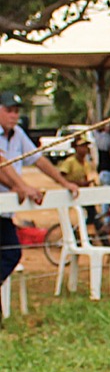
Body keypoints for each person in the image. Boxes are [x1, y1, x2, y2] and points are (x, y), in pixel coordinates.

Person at [0, 91, 79, 288]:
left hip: (4, 210)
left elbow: (38, 159)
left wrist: (64, 182)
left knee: (11, 253)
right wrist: (21, 186)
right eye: (9, 111)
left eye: (16, 111)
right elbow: (1, 164)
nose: (14, 116)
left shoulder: (18, 134)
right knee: (10, 253)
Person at [56, 135, 105, 234]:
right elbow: (61, 177)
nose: (85, 149)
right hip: (71, 193)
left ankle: (83, 231)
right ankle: (78, 232)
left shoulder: (86, 163)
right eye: (82, 146)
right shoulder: (70, 162)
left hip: (83, 193)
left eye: (86, 147)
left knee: (92, 214)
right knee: (89, 214)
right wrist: (74, 183)